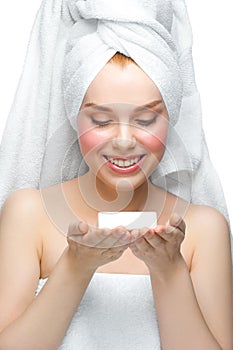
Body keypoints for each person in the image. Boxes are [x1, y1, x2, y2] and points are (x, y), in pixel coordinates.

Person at [0, 1, 232, 349]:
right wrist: (76, 266)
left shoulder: (203, 229)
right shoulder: (30, 215)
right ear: (74, 116)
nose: (124, 141)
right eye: (101, 120)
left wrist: (168, 270)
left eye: (145, 120)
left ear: (170, 118)